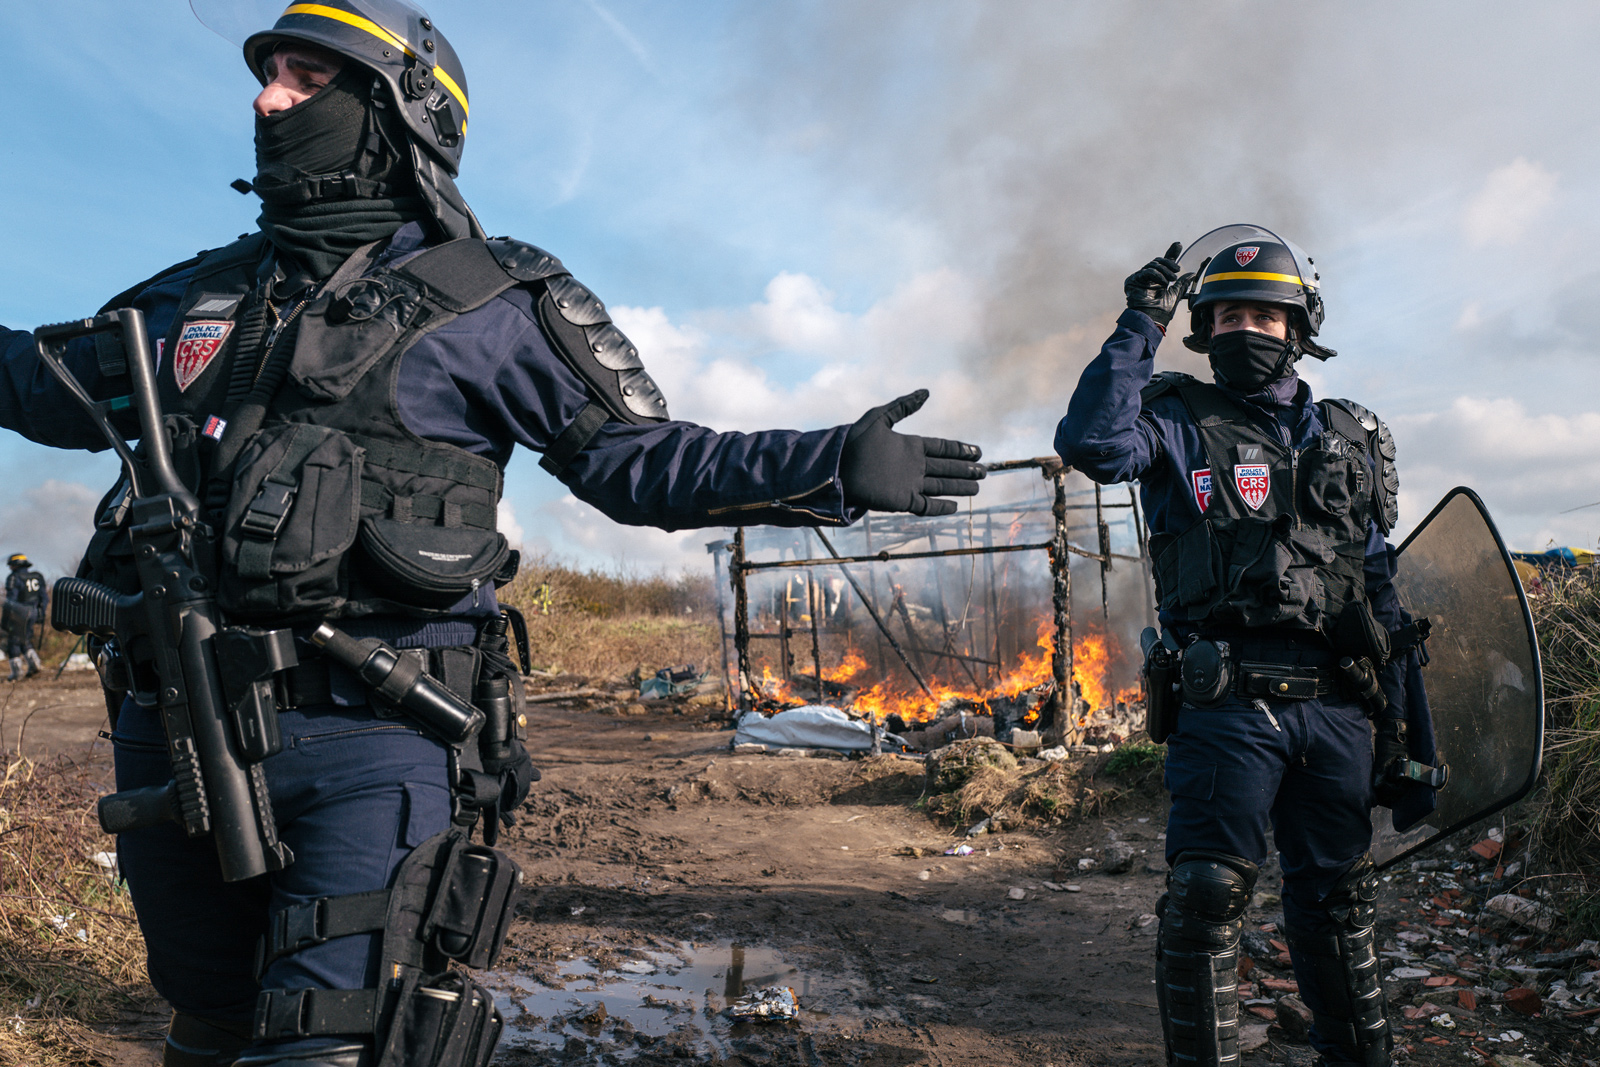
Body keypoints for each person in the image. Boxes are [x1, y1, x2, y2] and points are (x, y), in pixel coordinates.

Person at [0, 4, 986, 1066]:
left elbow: (639, 462)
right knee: (205, 1026)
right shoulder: (196, 294)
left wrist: (831, 461)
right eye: (266, 73)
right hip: (178, 732)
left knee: (322, 1049)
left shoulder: (491, 297)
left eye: (301, 75)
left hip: (371, 733)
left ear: (394, 109)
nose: (265, 97)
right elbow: (35, 385)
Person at [1055, 228, 1423, 1067]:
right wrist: (1137, 326)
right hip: (1227, 705)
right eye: (1225, 317)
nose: (1246, 331)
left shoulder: (1351, 436)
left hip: (1336, 708)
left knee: (1338, 903)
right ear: (1203, 329)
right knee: (1206, 895)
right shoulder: (1175, 419)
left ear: (1300, 328)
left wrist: (1402, 733)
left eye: (1265, 314)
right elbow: (1092, 443)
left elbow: (1381, 591)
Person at [3, 553, 48, 680]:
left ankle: (17, 673)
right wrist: (41, 613)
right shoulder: (37, 576)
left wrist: (6, 619)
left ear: (15, 565)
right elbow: (44, 598)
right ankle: (34, 665)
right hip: (33, 612)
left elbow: (11, 601)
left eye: (11, 565)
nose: (10, 568)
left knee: (13, 641)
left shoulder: (14, 578)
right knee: (25, 639)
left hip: (19, 614)